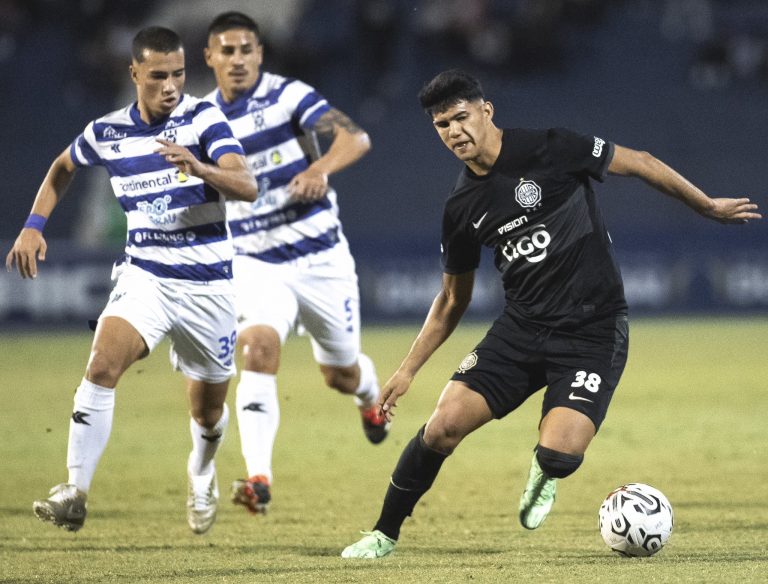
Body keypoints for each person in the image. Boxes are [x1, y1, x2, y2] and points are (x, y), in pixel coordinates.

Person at [341, 69, 761, 558]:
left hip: (592, 329)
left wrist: (706, 205)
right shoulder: (461, 206)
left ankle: (546, 469)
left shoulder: (553, 148)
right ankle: (383, 533)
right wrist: (407, 370)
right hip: (521, 331)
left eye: (460, 117)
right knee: (442, 427)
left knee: (561, 454)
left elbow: (642, 162)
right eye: (442, 125)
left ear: (485, 110)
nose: (454, 132)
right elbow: (452, 299)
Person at [5, 26, 258, 535]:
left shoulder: (203, 118)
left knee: (207, 412)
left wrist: (199, 166)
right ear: (135, 73)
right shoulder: (107, 131)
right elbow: (62, 166)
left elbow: (246, 184)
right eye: (159, 76)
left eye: (180, 74)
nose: (170, 86)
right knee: (101, 364)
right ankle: (74, 490)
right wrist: (34, 226)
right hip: (145, 275)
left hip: (207, 286)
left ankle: (201, 471)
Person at [202, 11, 388, 515]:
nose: (237, 59)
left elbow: (356, 137)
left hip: (320, 259)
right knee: (256, 347)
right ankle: (259, 476)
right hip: (256, 263)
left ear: (259, 54)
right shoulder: (200, 119)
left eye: (246, 50)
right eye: (228, 51)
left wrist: (319, 169)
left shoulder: (289, 95)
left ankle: (369, 395)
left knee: (340, 375)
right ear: (210, 57)